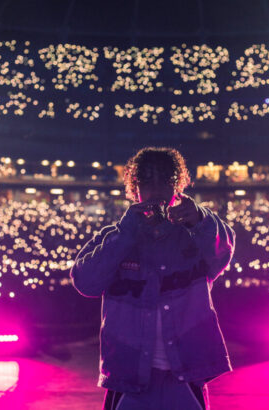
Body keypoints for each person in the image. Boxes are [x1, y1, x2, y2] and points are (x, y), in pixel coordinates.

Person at [70, 147, 236, 409]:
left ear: (178, 187)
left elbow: (223, 251)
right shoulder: (115, 237)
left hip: (186, 373)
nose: (156, 189)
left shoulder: (195, 234)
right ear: (135, 189)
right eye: (147, 182)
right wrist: (126, 232)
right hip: (129, 376)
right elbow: (85, 282)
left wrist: (200, 218)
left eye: (165, 181)